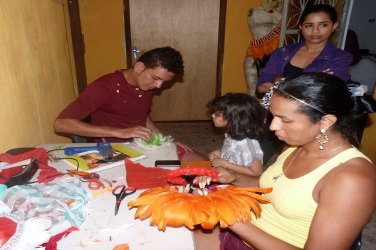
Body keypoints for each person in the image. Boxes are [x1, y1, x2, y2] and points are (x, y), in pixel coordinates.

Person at [194, 73, 376, 250]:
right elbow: (276, 188)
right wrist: (233, 177)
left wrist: (231, 219)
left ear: (325, 121)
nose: (272, 126)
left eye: (285, 120)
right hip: (243, 231)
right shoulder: (296, 146)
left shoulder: (353, 179)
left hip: (243, 229)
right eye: (273, 116)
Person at [54, 47, 183, 143]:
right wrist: (118, 132)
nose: (158, 86)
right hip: (113, 150)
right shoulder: (103, 87)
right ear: (139, 67)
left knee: (195, 161)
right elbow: (60, 124)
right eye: (156, 78)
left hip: (141, 143)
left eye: (163, 81)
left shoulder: (145, 85)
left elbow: (141, 115)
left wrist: (163, 141)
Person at [256, 4, 353, 95]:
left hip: (315, 112)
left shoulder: (340, 57)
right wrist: (313, 81)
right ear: (301, 27)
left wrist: (279, 80)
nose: (315, 31)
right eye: (309, 25)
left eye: (323, 25)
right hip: (277, 111)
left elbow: (326, 90)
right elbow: (261, 87)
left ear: (334, 26)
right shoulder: (282, 52)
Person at [207, 93, 264, 177]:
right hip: (229, 176)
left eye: (217, 114)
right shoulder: (232, 133)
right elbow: (234, 151)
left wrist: (225, 164)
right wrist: (221, 153)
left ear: (234, 117)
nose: (212, 115)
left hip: (242, 184)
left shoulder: (246, 143)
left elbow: (256, 172)